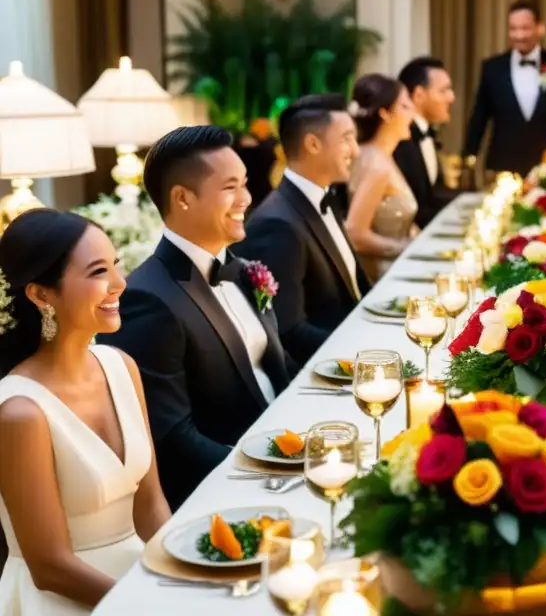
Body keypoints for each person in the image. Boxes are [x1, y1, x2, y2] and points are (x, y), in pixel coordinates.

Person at [100, 126, 297, 509]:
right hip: (226, 493)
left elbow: (279, 365)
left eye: (244, 184)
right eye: (230, 188)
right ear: (182, 198)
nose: (246, 198)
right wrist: (271, 475)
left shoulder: (240, 269)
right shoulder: (146, 300)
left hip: (286, 448)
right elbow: (173, 439)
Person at [0, 210, 170, 613]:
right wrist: (142, 605)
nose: (119, 284)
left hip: (142, 579)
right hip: (63, 601)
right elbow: (49, 567)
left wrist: (182, 575)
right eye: (97, 272)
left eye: (115, 265)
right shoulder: (19, 412)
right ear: (42, 295)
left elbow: (150, 505)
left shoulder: (121, 366)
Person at [235, 95, 371, 364]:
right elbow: (289, 332)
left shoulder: (323, 199)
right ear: (313, 144)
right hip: (327, 370)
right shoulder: (277, 225)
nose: (355, 151)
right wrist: (368, 355)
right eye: (346, 139)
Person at [463, 0, 546, 177]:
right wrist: (468, 156)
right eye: (513, 29)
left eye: (525, 28)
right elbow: (480, 115)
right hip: (501, 165)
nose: (519, 35)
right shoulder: (492, 68)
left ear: (540, 28)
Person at [346, 75, 419, 281]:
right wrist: (406, 247)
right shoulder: (376, 164)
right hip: (385, 277)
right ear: (385, 113)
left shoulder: (378, 155)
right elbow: (355, 233)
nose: (412, 112)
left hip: (397, 268)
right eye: (405, 106)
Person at [395, 56, 459, 229]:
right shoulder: (399, 141)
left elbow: (433, 195)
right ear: (419, 95)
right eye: (444, 91)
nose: (451, 97)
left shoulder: (427, 134)